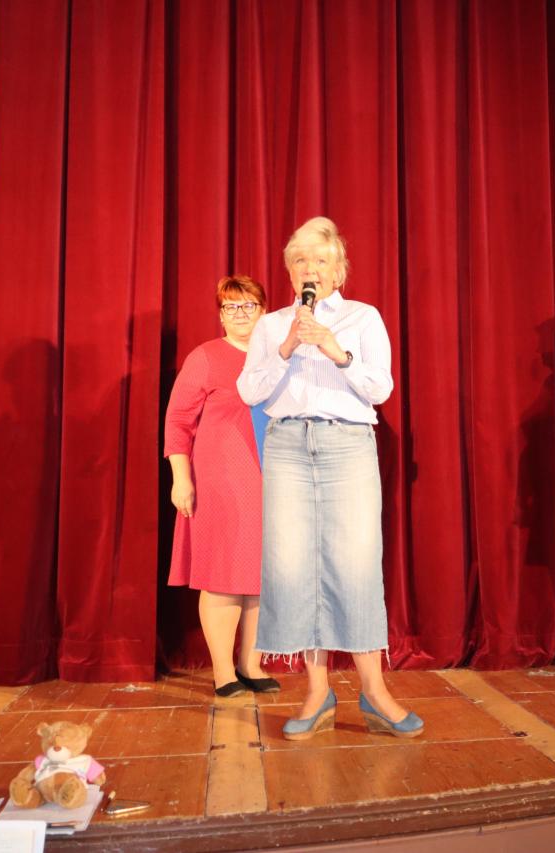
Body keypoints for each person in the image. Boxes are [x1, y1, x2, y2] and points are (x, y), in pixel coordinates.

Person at [237, 216, 423, 740]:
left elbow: (380, 389)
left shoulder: (363, 317)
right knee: (293, 566)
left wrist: (336, 352)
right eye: (300, 261)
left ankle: (374, 690)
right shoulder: (273, 326)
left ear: (338, 272)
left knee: (355, 563)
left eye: (320, 260)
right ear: (289, 273)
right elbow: (250, 392)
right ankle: (317, 693)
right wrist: (287, 347)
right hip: (288, 447)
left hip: (347, 444)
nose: (310, 269)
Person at [165, 275, 280, 698]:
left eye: (248, 305)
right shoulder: (206, 357)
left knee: (263, 575)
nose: (240, 314)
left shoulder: (280, 356)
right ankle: (223, 672)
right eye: (231, 307)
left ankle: (251, 664)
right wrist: (181, 478)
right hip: (221, 482)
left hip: (274, 480)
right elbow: (178, 421)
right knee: (223, 575)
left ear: (264, 311)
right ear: (220, 316)